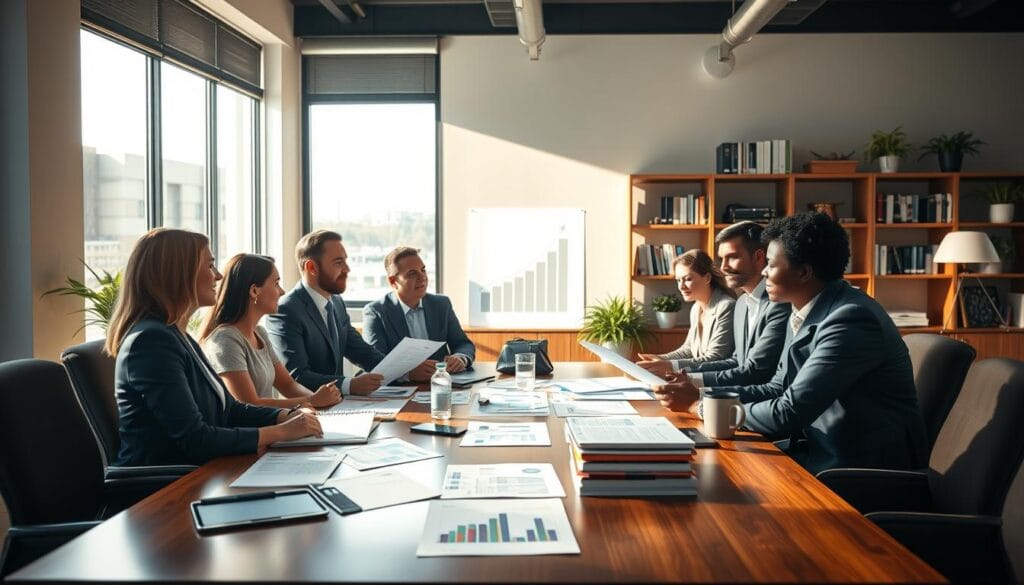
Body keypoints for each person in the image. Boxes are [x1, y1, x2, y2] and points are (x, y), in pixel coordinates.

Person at [653, 213, 928, 474]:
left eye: (771, 265)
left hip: (857, 469)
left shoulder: (850, 319)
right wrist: (701, 396)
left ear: (804, 272)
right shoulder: (806, 311)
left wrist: (700, 405)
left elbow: (789, 411)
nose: (763, 273)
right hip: (815, 450)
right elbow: (776, 387)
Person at [106, 228, 322, 466]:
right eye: (210, 266)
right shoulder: (150, 342)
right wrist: (281, 432)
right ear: (180, 273)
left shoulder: (178, 336)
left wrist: (286, 416)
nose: (218, 276)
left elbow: (229, 410)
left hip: (202, 472)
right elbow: (196, 439)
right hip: (164, 489)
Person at [638, 222, 790, 389]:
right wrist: (670, 367)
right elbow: (735, 361)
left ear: (759, 257)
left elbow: (754, 370)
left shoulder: (778, 305)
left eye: (732, 257)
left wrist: (682, 376)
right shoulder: (741, 305)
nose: (723, 267)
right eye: (721, 259)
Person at [198, 254, 343, 410]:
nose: (281, 291)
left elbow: (288, 385)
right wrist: (312, 400)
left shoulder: (260, 333)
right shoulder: (225, 339)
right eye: (276, 283)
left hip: (271, 424)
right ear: (254, 291)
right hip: (253, 431)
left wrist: (323, 404)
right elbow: (249, 404)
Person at [265, 230, 385, 395]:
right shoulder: (285, 311)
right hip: (309, 410)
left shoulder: (336, 302)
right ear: (312, 267)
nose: (347, 269)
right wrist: (349, 385)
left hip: (341, 405)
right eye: (338, 263)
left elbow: (360, 351)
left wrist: (405, 371)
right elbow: (297, 376)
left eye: (345, 261)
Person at [362, 246, 476, 382]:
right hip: (400, 393)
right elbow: (374, 363)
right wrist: (407, 374)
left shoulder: (441, 304)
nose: (422, 278)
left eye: (423, 270)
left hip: (441, 385)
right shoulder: (376, 312)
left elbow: (463, 343)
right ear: (393, 281)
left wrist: (460, 357)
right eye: (412, 274)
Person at [637, 249, 736, 372]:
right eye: (678, 280)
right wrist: (659, 359)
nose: (681, 286)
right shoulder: (696, 308)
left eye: (687, 279)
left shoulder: (726, 307)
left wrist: (668, 365)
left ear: (707, 278)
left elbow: (716, 358)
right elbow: (688, 350)